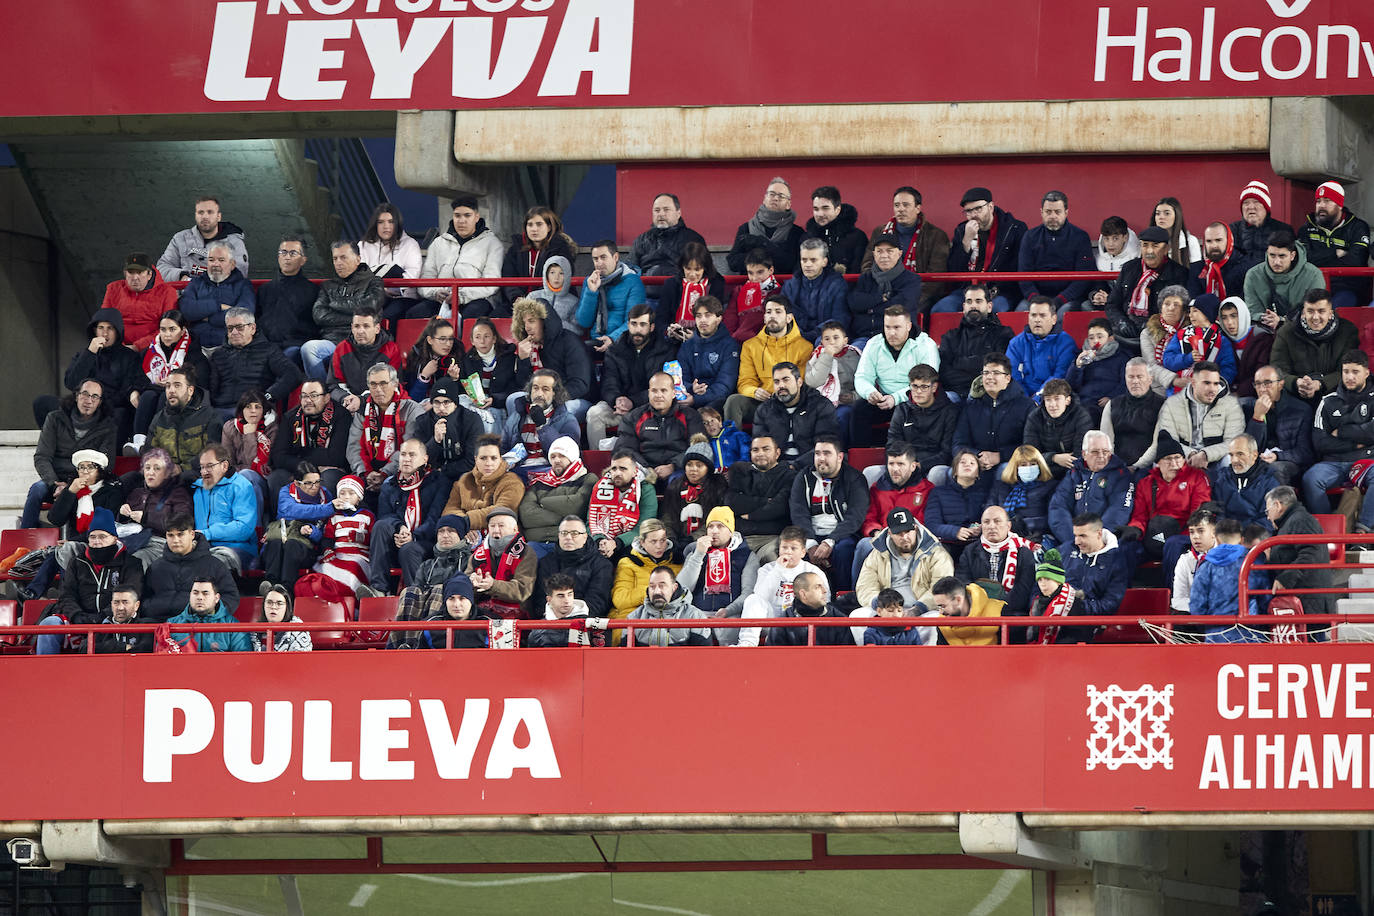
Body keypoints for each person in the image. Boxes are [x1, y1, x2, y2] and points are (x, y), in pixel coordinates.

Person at [34, 508, 143, 656]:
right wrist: (76, 615)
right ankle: (46, 668)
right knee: (49, 624)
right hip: (79, 619)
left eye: (102, 536)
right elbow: (67, 595)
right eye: (92, 537)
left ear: (114, 538)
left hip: (112, 619)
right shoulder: (77, 562)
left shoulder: (131, 563)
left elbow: (132, 595)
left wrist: (102, 616)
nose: (97, 542)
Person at [25, 380, 117, 529]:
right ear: (76, 396)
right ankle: (25, 535)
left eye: (95, 397)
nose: (89, 401)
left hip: (86, 480)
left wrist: (75, 484)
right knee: (37, 489)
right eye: (85, 394)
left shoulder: (108, 427)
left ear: (100, 402)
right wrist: (54, 484)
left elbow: (106, 463)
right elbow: (42, 457)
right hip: (56, 479)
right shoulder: (55, 418)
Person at [42, 309, 141, 442]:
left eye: (110, 328)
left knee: (121, 414)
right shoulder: (85, 353)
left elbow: (127, 390)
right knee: (43, 403)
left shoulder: (129, 356)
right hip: (83, 404)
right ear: (94, 331)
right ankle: (61, 442)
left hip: (111, 408)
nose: (105, 333)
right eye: (101, 328)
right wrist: (90, 353)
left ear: (117, 331)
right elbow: (71, 383)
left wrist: (97, 402)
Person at [586, 304, 675, 447]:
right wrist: (616, 400)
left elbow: (663, 388)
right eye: (634, 324)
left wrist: (633, 401)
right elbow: (608, 382)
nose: (637, 329)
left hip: (651, 407)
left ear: (652, 327)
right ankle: (598, 459)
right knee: (594, 414)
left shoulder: (665, 350)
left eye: (643, 325)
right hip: (619, 407)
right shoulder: (615, 350)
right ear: (628, 325)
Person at [1131, 361, 1244, 472]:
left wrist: (1205, 454)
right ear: (1193, 383)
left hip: (1216, 458)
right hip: (1182, 457)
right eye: (1206, 383)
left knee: (1230, 458)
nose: (1212, 389)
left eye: (1215, 383)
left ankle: (1226, 485)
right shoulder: (1172, 404)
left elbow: (1233, 442)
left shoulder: (1231, 404)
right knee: (1161, 460)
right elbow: (1167, 439)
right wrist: (1191, 454)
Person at [789, 435, 869, 590]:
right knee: (795, 549)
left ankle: (843, 594)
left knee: (844, 550)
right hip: (810, 533)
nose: (821, 458)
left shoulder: (855, 478)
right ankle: (803, 598)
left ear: (840, 457)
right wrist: (810, 542)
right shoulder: (803, 477)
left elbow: (855, 516)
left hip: (841, 534)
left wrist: (830, 541)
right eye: (817, 453)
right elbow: (798, 513)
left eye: (827, 453)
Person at [850, 306, 938, 447]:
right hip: (883, 399)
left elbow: (926, 383)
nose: (891, 333)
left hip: (915, 401)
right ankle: (860, 455)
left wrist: (895, 398)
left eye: (897, 327)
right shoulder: (874, 344)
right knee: (859, 409)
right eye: (888, 327)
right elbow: (862, 376)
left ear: (908, 326)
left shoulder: (925, 345)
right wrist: (870, 392)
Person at [932, 187, 1028, 313]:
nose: (973, 215)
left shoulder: (1014, 228)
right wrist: (966, 242)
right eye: (968, 211)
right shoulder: (961, 230)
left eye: (978, 209)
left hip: (1000, 292)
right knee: (941, 309)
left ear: (990, 207)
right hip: (967, 291)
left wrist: (994, 289)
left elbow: (1018, 267)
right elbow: (953, 271)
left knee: (995, 310)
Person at [369, 438, 447, 593]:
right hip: (398, 539)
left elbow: (435, 519)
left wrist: (414, 536)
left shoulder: (438, 482)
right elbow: (385, 515)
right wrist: (400, 527)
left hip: (425, 542)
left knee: (408, 549)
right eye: (403, 454)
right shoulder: (390, 483)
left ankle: (415, 596)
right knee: (381, 526)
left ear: (424, 459)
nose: (406, 459)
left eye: (412, 455)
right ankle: (378, 589)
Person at [723, 296, 814, 429]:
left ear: (789, 318)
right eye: (769, 312)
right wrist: (754, 391)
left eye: (778, 311)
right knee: (733, 401)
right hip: (761, 401)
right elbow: (745, 381)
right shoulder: (750, 346)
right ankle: (731, 440)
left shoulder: (805, 347)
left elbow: (800, 383)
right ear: (764, 318)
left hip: (788, 402)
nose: (772, 316)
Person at [1303, 350, 1374, 519]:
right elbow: (1320, 442)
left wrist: (1341, 432)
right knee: (1310, 479)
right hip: (1333, 463)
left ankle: (1364, 528)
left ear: (1366, 373)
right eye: (1346, 371)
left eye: (1355, 372)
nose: (1350, 377)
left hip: (1367, 460)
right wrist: (1355, 443)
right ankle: (1328, 528)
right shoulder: (1328, 401)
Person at [128, 309, 213, 450]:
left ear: (182, 330)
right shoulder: (150, 353)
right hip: (153, 393)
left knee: (165, 396)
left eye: (172, 329)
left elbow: (201, 386)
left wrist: (172, 385)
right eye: (163, 329)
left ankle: (159, 443)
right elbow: (137, 378)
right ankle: (139, 443)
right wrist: (134, 391)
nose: (167, 334)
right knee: (147, 396)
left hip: (185, 399)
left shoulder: (194, 355)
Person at [1123, 431, 1212, 563]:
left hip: (1184, 535)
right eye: (1168, 459)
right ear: (1158, 462)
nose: (1174, 463)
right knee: (1126, 545)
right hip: (1153, 535)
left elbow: (1198, 514)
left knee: (1173, 544)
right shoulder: (1146, 483)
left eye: (1178, 458)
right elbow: (1139, 516)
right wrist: (1135, 529)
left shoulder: (1196, 477)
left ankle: (1172, 578)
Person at [388, 514, 476, 646]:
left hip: (455, 608)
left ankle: (424, 643)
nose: (445, 535)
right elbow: (418, 588)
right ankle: (402, 644)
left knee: (439, 590)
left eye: (451, 531)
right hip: (428, 607)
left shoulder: (470, 559)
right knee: (409, 592)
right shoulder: (427, 564)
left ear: (461, 534)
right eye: (441, 531)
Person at [676, 506, 759, 645]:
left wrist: (728, 611)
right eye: (710, 526)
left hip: (731, 616)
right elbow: (682, 588)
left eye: (720, 526)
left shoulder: (747, 555)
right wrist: (698, 555)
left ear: (731, 530)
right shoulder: (696, 551)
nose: (714, 531)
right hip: (697, 615)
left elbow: (749, 593)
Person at [418, 195, 507, 320]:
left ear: (476, 217)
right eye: (457, 216)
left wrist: (462, 296)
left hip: (477, 299)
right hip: (442, 299)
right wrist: (435, 292)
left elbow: (491, 283)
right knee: (415, 313)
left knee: (471, 315)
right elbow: (426, 279)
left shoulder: (492, 243)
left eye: (467, 215)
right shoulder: (438, 243)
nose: (461, 221)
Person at [863, 185, 951, 311]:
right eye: (897, 205)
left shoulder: (936, 235)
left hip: (920, 296)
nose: (900, 209)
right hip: (883, 293)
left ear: (918, 208)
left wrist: (909, 297)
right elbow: (867, 265)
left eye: (906, 205)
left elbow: (935, 278)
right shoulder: (880, 232)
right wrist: (879, 294)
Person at [207, 307, 302, 421]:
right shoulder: (218, 355)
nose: (234, 332)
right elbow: (212, 387)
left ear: (252, 328)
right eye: (230, 328)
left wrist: (267, 396)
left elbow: (293, 374)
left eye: (240, 327)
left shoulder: (269, 350)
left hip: (255, 408)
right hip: (222, 410)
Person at [737, 526, 826, 647]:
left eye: (793, 548)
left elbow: (824, 600)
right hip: (772, 619)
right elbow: (760, 596)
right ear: (779, 549)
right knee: (753, 599)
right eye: (784, 547)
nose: (788, 552)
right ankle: (747, 643)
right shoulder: (767, 569)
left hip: (800, 620)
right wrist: (778, 570)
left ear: (803, 552)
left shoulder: (813, 572)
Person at [141, 514, 239, 622]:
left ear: (192, 534)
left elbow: (230, 597)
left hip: (198, 625)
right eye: (171, 535)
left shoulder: (215, 565)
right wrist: (149, 608)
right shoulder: (155, 567)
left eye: (180, 534)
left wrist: (209, 617)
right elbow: (143, 598)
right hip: (157, 624)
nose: (175, 540)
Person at [1104, 225, 1190, 348]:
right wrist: (1121, 322)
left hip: (1159, 335)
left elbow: (1178, 312)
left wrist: (1151, 326)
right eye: (1145, 245)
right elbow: (1112, 304)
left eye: (1155, 246)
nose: (1149, 251)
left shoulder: (1179, 274)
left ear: (1166, 249)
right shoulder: (1129, 268)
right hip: (1126, 332)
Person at [1048, 431, 1136, 549]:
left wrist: (1095, 539)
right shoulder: (1074, 473)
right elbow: (1058, 507)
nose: (1101, 456)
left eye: (1105, 451)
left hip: (1105, 543)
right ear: (1084, 454)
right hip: (1071, 541)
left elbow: (1119, 511)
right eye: (1095, 452)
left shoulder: (1121, 475)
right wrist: (1075, 539)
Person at [509, 297, 593, 421]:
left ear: (544, 321)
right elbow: (523, 386)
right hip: (541, 398)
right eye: (524, 322)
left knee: (565, 408)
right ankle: (520, 434)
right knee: (513, 399)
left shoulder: (570, 341)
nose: (527, 327)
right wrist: (523, 360)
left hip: (575, 400)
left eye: (531, 321)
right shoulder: (528, 347)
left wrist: (550, 399)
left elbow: (580, 385)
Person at [855, 506, 953, 612]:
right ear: (890, 533)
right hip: (887, 610)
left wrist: (918, 609)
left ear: (915, 529)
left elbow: (943, 587)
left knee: (936, 618)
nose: (905, 537)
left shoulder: (936, 552)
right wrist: (880, 604)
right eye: (899, 533)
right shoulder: (877, 554)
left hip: (924, 610)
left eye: (908, 531)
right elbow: (865, 586)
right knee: (858, 615)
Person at [309, 241, 387, 374]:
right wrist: (355, 318)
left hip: (362, 342)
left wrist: (335, 305)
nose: (338, 263)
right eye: (335, 259)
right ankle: (320, 387)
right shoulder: (328, 286)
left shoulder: (374, 282)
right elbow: (319, 315)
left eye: (343, 257)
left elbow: (370, 307)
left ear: (358, 259)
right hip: (331, 340)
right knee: (309, 349)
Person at [611, 371, 703, 482]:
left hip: (678, 470)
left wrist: (673, 466)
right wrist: (647, 469)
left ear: (673, 393)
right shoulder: (633, 417)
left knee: (678, 481)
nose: (658, 395)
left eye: (663, 390)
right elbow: (624, 449)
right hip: (643, 471)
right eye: (654, 391)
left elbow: (698, 448)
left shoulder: (690, 416)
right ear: (649, 393)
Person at [1271, 290, 1360, 404]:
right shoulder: (1286, 333)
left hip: (1336, 396)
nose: (1315, 317)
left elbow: (1347, 370)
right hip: (1295, 397)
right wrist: (1296, 382)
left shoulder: (1347, 331)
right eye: (1310, 311)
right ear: (1303, 312)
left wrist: (1320, 384)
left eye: (1321, 311)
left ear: (1330, 313)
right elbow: (1277, 370)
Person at [259, 461, 336, 593]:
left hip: (306, 547)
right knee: (276, 543)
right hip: (280, 540)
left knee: (292, 545)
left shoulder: (325, 495)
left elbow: (324, 531)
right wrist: (326, 509)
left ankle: (286, 589)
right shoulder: (286, 492)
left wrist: (311, 531)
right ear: (297, 483)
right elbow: (292, 511)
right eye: (308, 483)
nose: (314, 487)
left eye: (317, 482)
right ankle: (270, 585)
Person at [268, 378, 350, 498]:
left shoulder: (341, 416)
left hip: (329, 471)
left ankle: (324, 511)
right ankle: (284, 511)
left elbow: (336, 457)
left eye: (314, 396)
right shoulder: (290, 417)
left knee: (329, 478)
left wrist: (299, 453)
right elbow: (278, 456)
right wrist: (304, 466)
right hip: (298, 468)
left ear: (326, 398)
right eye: (304, 396)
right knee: (276, 478)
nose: (308, 400)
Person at [1016, 190, 1095, 311]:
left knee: (1063, 314)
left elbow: (1083, 278)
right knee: (1021, 312)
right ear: (1041, 212)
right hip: (1036, 298)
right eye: (1048, 212)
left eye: (1057, 212)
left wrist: (1058, 301)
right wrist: (1037, 300)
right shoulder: (1030, 237)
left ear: (1066, 212)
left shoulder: (1080, 237)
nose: (1053, 216)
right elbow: (1024, 276)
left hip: (1069, 299)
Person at [348, 363, 421, 492]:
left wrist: (385, 473)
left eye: (383, 383)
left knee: (388, 487)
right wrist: (364, 473)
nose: (378, 389)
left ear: (395, 384)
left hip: (401, 471)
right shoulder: (363, 411)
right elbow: (354, 447)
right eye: (373, 384)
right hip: (367, 474)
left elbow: (410, 448)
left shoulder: (411, 409)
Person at [1298, 180, 1372, 309]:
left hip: (1348, 288)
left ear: (1340, 205)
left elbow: (1356, 261)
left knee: (1332, 312)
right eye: (1318, 201)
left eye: (1327, 201)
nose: (1321, 206)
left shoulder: (1358, 227)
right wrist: (1335, 253)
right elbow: (1303, 260)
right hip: (1313, 286)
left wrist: (1319, 260)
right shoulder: (1306, 228)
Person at [952, 354, 1033, 469]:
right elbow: (958, 443)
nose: (989, 377)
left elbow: (1031, 446)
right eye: (986, 373)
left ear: (1007, 378)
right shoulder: (971, 406)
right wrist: (976, 456)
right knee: (940, 472)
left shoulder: (1026, 406)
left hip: (1010, 464)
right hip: (975, 464)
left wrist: (1000, 456)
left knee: (1004, 469)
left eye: (996, 373)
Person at [753, 362, 839, 469]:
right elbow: (760, 446)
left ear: (799, 382)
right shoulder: (765, 410)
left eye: (786, 380)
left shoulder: (821, 405)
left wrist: (795, 466)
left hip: (811, 468)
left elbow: (826, 445)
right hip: (776, 469)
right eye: (776, 382)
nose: (781, 386)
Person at [1265, 485, 1334, 616]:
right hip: (1304, 599)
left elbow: (1311, 553)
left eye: (1267, 511)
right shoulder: (1291, 522)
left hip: (1309, 601)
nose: (1268, 517)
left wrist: (1285, 578)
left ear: (1278, 505)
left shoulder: (1301, 520)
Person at [726, 435, 796, 561]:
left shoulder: (789, 475)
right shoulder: (740, 471)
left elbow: (779, 507)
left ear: (777, 453)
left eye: (766, 449)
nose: (760, 453)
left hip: (771, 538)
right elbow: (731, 502)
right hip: (739, 537)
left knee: (771, 559)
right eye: (755, 450)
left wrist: (750, 515)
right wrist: (765, 501)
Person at [1062, 513, 1130, 643]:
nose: (1077, 541)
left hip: (1089, 623)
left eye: (1083, 536)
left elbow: (1110, 604)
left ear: (1099, 534)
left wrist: (1078, 607)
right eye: (1075, 535)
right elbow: (1041, 582)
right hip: (1057, 617)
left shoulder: (1116, 560)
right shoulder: (1065, 550)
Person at [120, 447, 193, 566]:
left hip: (161, 543)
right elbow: (121, 524)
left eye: (157, 468)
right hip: (131, 540)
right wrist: (122, 514)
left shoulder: (178, 493)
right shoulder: (137, 492)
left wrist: (146, 518)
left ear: (167, 473)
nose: (151, 472)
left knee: (136, 560)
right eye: (147, 468)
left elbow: (182, 524)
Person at [937, 285, 1013, 398]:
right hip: (955, 394)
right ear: (964, 307)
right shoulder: (951, 336)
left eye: (978, 301)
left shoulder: (1003, 334)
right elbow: (944, 373)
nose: (973, 306)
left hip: (986, 394)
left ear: (989, 307)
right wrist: (978, 365)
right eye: (969, 301)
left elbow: (997, 370)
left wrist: (959, 363)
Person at [1246, 364, 1315, 486]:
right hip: (1259, 459)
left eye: (1267, 383)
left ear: (1281, 384)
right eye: (1257, 384)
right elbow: (1248, 447)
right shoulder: (1249, 408)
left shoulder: (1301, 410)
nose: (1262, 389)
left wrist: (1277, 456)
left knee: (1274, 469)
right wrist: (1257, 417)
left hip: (1289, 462)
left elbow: (1305, 453)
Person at [192, 443, 258, 571]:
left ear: (224, 466)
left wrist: (207, 534)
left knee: (209, 565)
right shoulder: (198, 487)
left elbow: (244, 528)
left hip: (237, 548)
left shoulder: (241, 486)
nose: (204, 472)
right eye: (202, 467)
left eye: (209, 466)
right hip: (203, 548)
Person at [441, 434, 525, 535]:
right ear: (476, 459)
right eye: (483, 458)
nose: (488, 463)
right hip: (464, 533)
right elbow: (450, 509)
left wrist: (466, 522)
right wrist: (463, 527)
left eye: (493, 458)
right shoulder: (464, 480)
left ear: (500, 459)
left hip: (500, 534)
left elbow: (503, 510)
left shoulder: (512, 481)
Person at [306, 476, 374, 600]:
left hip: (359, 554)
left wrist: (360, 537)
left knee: (353, 568)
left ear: (359, 497)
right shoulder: (334, 516)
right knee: (325, 567)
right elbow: (328, 537)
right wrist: (327, 549)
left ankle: (351, 602)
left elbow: (373, 540)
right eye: (342, 493)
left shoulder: (367, 516)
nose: (346, 497)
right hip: (338, 553)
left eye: (351, 493)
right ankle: (329, 601)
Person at [178, 241, 255, 349]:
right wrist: (218, 306)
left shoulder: (243, 285)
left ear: (232, 264)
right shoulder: (196, 283)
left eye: (221, 260)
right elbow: (186, 310)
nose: (215, 264)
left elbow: (243, 316)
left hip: (230, 347)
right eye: (211, 260)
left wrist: (208, 317)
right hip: (195, 345)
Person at [1187, 517, 1253, 642]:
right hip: (1251, 635)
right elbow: (1264, 600)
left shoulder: (1205, 567)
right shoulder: (1254, 563)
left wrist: (1207, 629)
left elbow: (1197, 606)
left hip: (1216, 636)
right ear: (1242, 540)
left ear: (1216, 538)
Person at [533, 515, 613, 617]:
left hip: (587, 621)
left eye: (574, 533)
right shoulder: (546, 562)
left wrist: (571, 619)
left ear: (585, 537)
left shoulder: (601, 565)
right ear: (559, 536)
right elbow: (541, 600)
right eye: (564, 533)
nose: (568, 537)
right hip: (552, 620)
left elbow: (597, 603)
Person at [518, 438, 594, 545]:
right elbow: (526, 515)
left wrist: (542, 503)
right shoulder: (539, 483)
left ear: (572, 457)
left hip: (570, 544)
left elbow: (577, 507)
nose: (557, 460)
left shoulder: (588, 479)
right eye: (553, 457)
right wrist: (563, 520)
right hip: (536, 543)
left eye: (562, 455)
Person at [413, 376, 485, 488]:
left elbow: (473, 460)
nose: (441, 408)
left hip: (463, 474)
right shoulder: (422, 421)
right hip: (430, 475)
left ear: (455, 403)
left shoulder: (471, 420)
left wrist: (444, 470)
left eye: (446, 402)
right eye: (437, 402)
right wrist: (435, 441)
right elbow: (417, 459)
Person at [499, 205, 575, 311]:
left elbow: (558, 279)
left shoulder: (560, 248)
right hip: (517, 303)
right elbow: (508, 276)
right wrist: (516, 297)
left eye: (539, 224)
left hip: (550, 303)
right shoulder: (516, 248)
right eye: (530, 225)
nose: (534, 229)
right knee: (495, 315)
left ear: (549, 227)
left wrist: (532, 300)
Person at [887, 365, 957, 479]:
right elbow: (893, 444)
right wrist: (903, 464)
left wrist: (920, 465)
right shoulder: (902, 410)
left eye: (924, 387)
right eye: (914, 386)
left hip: (933, 465)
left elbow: (947, 452)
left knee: (937, 473)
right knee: (871, 472)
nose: (918, 391)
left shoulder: (949, 411)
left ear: (934, 387)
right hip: (905, 465)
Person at [576, 240, 647, 352]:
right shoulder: (591, 281)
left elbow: (634, 320)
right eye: (595, 259)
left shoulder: (633, 282)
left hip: (623, 342)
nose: (599, 263)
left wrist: (612, 338)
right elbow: (584, 322)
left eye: (603, 257)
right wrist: (591, 292)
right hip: (595, 341)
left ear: (615, 257)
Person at [588, 449, 659, 562]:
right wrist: (600, 540)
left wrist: (616, 543)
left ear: (635, 472)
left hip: (630, 544)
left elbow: (644, 527)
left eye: (623, 469)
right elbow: (590, 521)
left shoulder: (645, 489)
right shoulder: (600, 488)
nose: (617, 473)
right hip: (601, 542)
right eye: (614, 469)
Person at [1242, 229, 1325, 325]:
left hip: (1302, 329)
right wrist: (1267, 318)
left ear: (1292, 255)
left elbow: (1314, 312)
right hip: (1264, 327)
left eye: (1282, 256)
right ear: (1267, 253)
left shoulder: (1313, 275)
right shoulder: (1253, 275)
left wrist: (1281, 321)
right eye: (1272, 255)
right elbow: (1253, 312)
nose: (1276, 262)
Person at [157, 196, 248, 282]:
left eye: (210, 212)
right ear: (195, 215)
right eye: (201, 212)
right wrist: (182, 276)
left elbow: (240, 273)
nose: (205, 216)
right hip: (186, 291)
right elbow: (162, 268)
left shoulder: (234, 242)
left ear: (218, 216)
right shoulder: (180, 239)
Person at [256, 236, 317, 365]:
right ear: (278, 257)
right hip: (265, 345)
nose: (287, 257)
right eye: (283, 252)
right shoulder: (265, 289)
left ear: (303, 260)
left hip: (294, 346)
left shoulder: (312, 291)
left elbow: (312, 328)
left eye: (293, 253)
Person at [847, 234, 922, 338]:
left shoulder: (911, 280)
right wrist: (881, 298)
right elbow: (854, 303)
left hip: (899, 338)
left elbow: (900, 308)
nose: (884, 256)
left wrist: (870, 309)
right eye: (879, 251)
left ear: (899, 253)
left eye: (889, 251)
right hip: (864, 336)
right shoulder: (865, 278)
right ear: (874, 254)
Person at [610, 518, 683, 624]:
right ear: (642, 542)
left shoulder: (677, 562)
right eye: (653, 541)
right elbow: (620, 599)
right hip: (632, 618)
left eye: (662, 540)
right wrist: (653, 592)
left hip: (667, 618)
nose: (659, 546)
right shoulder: (627, 563)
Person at [726, 177, 804, 276]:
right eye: (772, 194)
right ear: (764, 199)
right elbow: (732, 262)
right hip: (751, 283)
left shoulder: (796, 232)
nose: (775, 198)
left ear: (788, 204)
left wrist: (762, 242)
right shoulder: (746, 228)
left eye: (781, 196)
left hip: (784, 284)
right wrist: (760, 259)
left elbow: (791, 263)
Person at [675, 296, 740, 412]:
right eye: (698, 316)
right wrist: (691, 388)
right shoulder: (687, 346)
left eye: (708, 315)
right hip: (689, 396)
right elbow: (680, 377)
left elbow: (725, 385)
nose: (703, 320)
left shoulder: (730, 346)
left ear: (719, 318)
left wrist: (696, 399)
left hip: (716, 401)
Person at [328, 308, 404, 408]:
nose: (360, 331)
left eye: (366, 326)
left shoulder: (391, 349)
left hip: (380, 405)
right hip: (348, 404)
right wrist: (346, 398)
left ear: (377, 329)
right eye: (356, 326)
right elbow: (333, 386)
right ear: (352, 328)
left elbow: (394, 386)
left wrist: (362, 400)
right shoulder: (342, 348)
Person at [102, 252, 176, 350]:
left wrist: (137, 347)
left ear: (149, 274)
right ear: (125, 273)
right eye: (131, 272)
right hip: (116, 346)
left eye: (140, 272)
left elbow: (168, 329)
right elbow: (104, 322)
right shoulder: (113, 288)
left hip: (153, 347)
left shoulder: (167, 292)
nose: (135, 277)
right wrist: (118, 346)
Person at [1101, 359, 1166, 469]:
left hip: (1148, 468)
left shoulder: (1163, 405)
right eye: (1131, 377)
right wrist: (1116, 467)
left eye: (1140, 377)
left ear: (1150, 379)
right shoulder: (1112, 405)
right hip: (1115, 467)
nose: (1135, 381)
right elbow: (1106, 443)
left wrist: (1135, 468)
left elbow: (1157, 445)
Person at [1007, 297, 1077, 400]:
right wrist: (1025, 401)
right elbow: (1012, 376)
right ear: (1028, 318)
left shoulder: (1066, 343)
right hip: (1020, 400)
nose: (1037, 320)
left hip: (1052, 400)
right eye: (1033, 315)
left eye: (1042, 315)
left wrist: (1038, 399)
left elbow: (1059, 376)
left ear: (1054, 319)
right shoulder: (1016, 343)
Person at [456, 317, 518, 433]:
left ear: (494, 339)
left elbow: (514, 388)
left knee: (490, 417)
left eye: (486, 336)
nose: (482, 341)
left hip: (498, 406)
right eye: (478, 337)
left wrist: (495, 400)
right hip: (475, 406)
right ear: (472, 341)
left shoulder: (509, 358)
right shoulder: (466, 360)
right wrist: (454, 378)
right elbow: (461, 389)